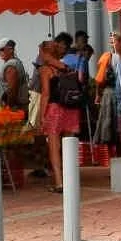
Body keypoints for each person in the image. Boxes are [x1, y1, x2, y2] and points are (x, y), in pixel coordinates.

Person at [40, 40, 81, 192]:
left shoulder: (46, 69)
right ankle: (71, 180)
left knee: (54, 148)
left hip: (55, 109)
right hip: (71, 108)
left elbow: (45, 94)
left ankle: (59, 182)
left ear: (44, 52)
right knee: (69, 147)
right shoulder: (67, 67)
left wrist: (41, 115)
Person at [94, 32, 121, 154]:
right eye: (111, 42)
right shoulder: (107, 57)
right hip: (110, 93)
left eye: (114, 41)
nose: (112, 45)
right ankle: (111, 158)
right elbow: (99, 79)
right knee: (108, 126)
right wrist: (98, 94)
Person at [0, 38, 27, 112]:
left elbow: (12, 90)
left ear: (11, 50)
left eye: (2, 49)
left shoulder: (11, 66)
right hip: (18, 108)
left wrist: (8, 108)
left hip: (14, 109)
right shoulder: (15, 62)